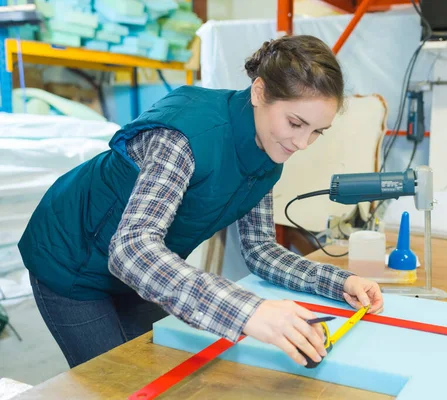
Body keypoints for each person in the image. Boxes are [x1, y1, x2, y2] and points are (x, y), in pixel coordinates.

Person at [18, 35, 384, 369]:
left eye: (317, 132)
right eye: (295, 123)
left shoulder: (268, 155)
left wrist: (339, 281)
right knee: (116, 382)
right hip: (71, 260)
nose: (302, 144)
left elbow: (259, 249)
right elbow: (131, 249)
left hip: (142, 267)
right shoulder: (186, 137)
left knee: (159, 371)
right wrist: (247, 311)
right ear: (259, 92)